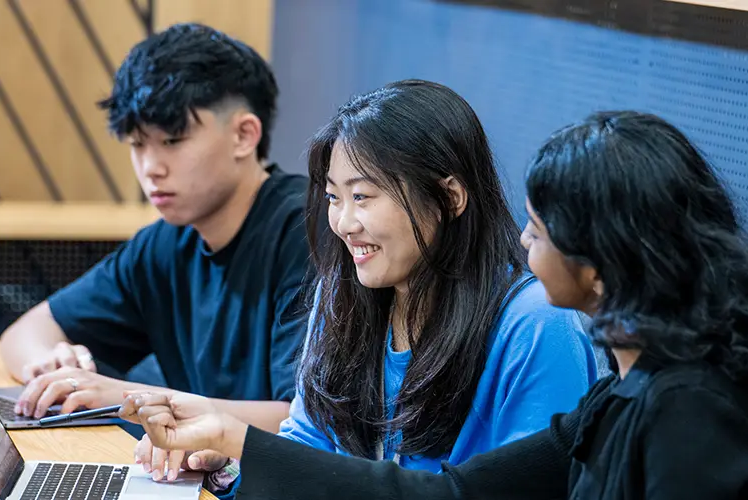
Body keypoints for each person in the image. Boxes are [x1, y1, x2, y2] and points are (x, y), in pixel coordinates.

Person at [120, 111, 748, 499]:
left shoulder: (692, 412)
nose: (522, 241)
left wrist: (242, 444)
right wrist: (239, 455)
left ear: (605, 260)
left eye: (540, 231)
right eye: (336, 199)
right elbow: (452, 498)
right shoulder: (630, 394)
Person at [136, 80, 604, 495]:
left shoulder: (536, 324)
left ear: (450, 197)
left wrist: (240, 441)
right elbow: (311, 444)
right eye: (333, 198)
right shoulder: (342, 295)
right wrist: (231, 464)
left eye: (362, 197)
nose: (342, 223)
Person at [0, 23, 305, 432]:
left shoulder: (309, 230)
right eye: (138, 144)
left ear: (244, 136)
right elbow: (25, 332)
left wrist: (130, 399)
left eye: (173, 141)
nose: (150, 168)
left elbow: (303, 426)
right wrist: (52, 364)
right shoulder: (165, 242)